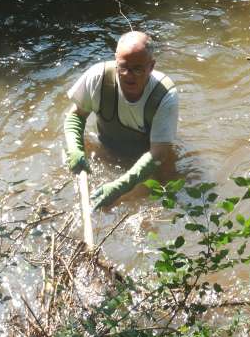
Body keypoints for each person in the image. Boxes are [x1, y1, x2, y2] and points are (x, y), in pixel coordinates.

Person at [63, 31, 179, 209]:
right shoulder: (98, 77)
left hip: (148, 158)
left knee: (162, 197)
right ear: (116, 61)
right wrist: (75, 149)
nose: (128, 75)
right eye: (123, 67)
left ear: (151, 66)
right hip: (108, 146)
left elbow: (159, 153)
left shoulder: (164, 95)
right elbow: (76, 116)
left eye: (137, 69)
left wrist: (120, 187)